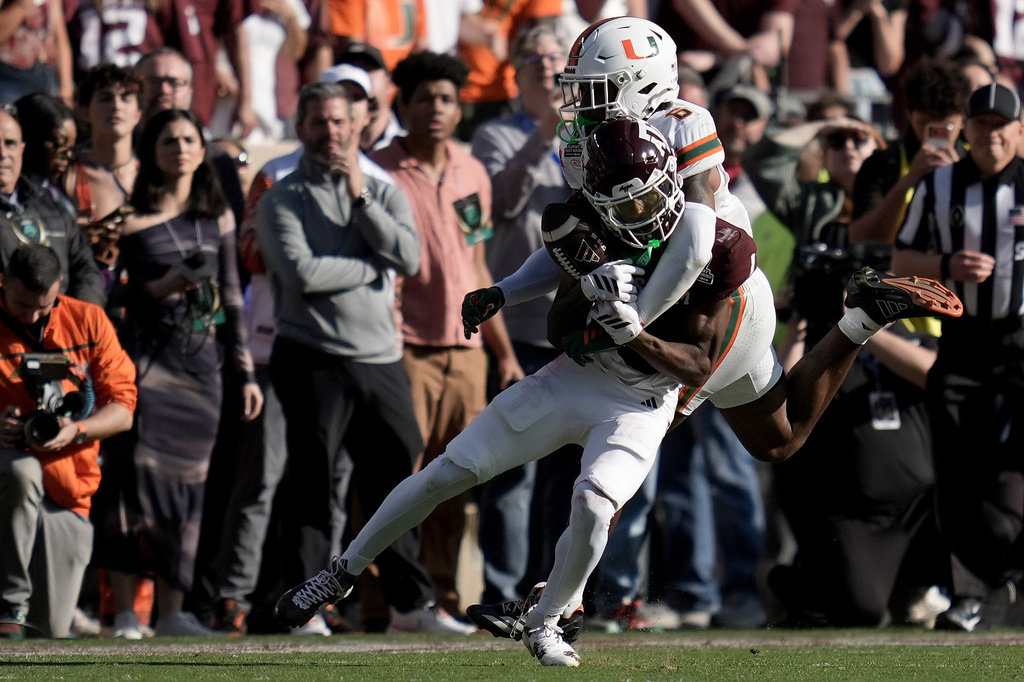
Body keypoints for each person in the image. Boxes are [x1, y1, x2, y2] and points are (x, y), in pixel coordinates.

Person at [274, 118, 961, 667]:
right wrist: (529, 291)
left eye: (648, 194)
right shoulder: (584, 220)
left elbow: (693, 361)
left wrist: (628, 326)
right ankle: (340, 572)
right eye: (623, 202)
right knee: (450, 471)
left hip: (652, 390)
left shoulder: (718, 241)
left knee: (596, 500)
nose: (640, 211)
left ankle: (547, 621)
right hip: (578, 376)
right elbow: (565, 326)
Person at [256, 81, 476, 635]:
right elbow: (302, 275)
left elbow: (408, 257)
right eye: (317, 122)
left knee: (400, 480)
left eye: (338, 121)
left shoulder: (379, 191)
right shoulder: (282, 196)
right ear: (301, 127)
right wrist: (370, 267)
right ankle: (307, 607)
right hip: (312, 355)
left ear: (356, 125)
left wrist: (360, 202)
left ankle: (410, 605)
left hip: (381, 358)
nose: (329, 131)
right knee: (313, 482)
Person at [98, 108, 262, 638]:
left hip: (202, 371)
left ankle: (171, 613)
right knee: (132, 485)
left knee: (188, 491)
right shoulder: (128, 218)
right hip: (144, 363)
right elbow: (103, 295)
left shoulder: (218, 218)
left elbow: (234, 301)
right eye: (170, 140)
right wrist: (161, 287)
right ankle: (125, 611)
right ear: (152, 150)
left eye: (190, 138)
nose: (182, 148)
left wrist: (247, 374)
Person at [372, 50, 524, 616]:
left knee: (453, 485)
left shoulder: (472, 170)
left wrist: (502, 353)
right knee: (397, 482)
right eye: (424, 99)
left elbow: (479, 268)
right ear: (402, 106)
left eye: (445, 99)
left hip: (468, 353)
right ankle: (381, 603)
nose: (436, 109)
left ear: (459, 108)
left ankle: (443, 598)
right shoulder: (378, 170)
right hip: (403, 348)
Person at [892, 82, 1024, 632]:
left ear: (1018, 130)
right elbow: (901, 255)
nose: (991, 136)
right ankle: (970, 593)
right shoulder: (939, 183)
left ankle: (1006, 577)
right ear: (965, 130)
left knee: (1011, 473)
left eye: (1002, 125)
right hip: (963, 342)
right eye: (982, 125)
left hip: (1021, 344)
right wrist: (946, 265)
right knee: (957, 473)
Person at [469, 22, 578, 608]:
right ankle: (501, 591)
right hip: (518, 334)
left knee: (568, 479)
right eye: (532, 58)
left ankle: (550, 594)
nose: (544, 66)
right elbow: (502, 202)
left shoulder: (591, 135)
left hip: (578, 329)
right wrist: (545, 131)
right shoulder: (494, 136)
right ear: (513, 74)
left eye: (554, 57)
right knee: (510, 471)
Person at [0, 243, 136, 639]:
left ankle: (28, 611)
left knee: (51, 633)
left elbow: (123, 408)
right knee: (21, 472)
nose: (32, 315)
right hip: (10, 468)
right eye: (22, 304)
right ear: (3, 282)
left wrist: (75, 430)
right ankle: (10, 601)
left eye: (42, 306)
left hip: (68, 483)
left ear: (59, 286)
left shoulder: (88, 319)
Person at [849, 57, 971, 245]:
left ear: (963, 119)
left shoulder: (977, 163)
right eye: (925, 123)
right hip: (894, 271)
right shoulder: (881, 165)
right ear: (909, 114)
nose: (934, 134)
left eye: (946, 125)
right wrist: (907, 182)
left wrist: (960, 179)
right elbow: (860, 239)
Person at [0, 108, 104, 307]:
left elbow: (85, 270)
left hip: (61, 330)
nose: (2, 153)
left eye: (10, 143)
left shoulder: (53, 208)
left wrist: (72, 318)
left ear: (22, 149)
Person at [135, 47, 246, 229]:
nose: (164, 90)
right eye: (153, 81)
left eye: (174, 83)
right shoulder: (117, 152)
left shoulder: (217, 160)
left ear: (190, 90)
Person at [63, 64, 145, 291]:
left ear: (138, 113)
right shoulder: (67, 174)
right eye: (105, 99)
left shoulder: (153, 176)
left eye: (126, 98)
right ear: (85, 111)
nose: (116, 106)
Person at [0, 0, 72, 105]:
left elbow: (60, 40)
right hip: (10, 77)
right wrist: (22, 5)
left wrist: (66, 89)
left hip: (46, 77)